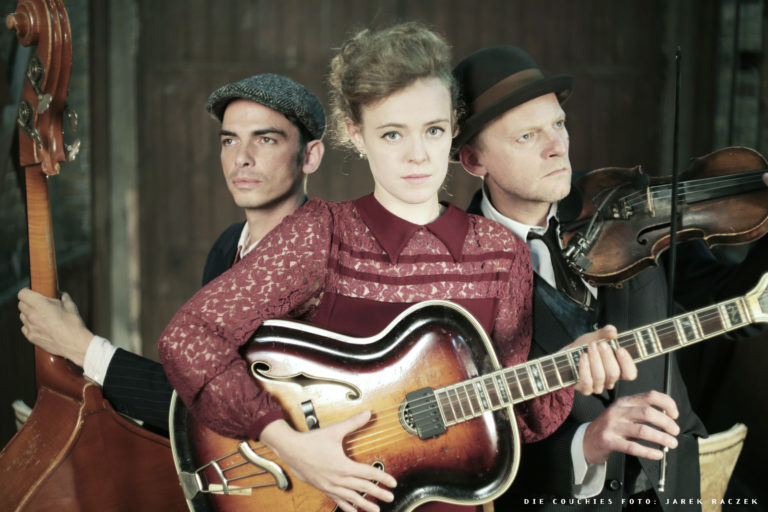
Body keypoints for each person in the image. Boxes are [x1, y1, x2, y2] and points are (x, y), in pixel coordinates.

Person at [158, 23, 635, 512]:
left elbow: (511, 418)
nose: (418, 155)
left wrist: (570, 367)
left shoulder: (500, 252)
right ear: (356, 134)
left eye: (433, 130)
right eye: (392, 134)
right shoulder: (321, 233)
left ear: (453, 127)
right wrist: (291, 445)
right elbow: (188, 337)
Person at [452, 45, 768, 511]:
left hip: (677, 492)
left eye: (558, 124)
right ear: (474, 160)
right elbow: (470, 448)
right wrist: (586, 443)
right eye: (527, 136)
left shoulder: (624, 203)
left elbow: (738, 307)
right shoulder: (452, 271)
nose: (557, 146)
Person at [16, 72, 326, 435]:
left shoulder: (325, 261)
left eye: (266, 139)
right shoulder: (227, 245)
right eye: (229, 141)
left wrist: (81, 346)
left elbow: (223, 413)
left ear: (310, 156)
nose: (241, 158)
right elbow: (196, 390)